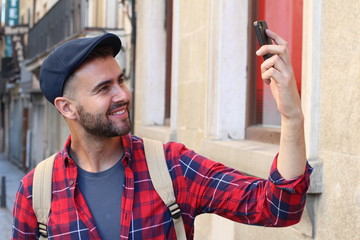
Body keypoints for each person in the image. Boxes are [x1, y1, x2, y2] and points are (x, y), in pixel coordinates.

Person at [12, 30, 312, 240]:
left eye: (121, 80)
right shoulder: (36, 192)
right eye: (104, 89)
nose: (122, 95)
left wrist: (291, 116)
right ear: (67, 108)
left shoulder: (171, 167)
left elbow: (278, 208)